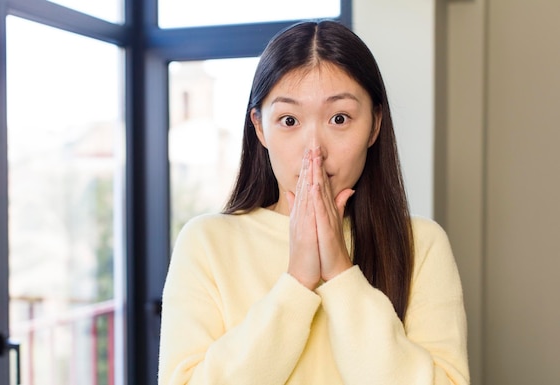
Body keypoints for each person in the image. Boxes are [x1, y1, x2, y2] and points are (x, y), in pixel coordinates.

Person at [158, 20, 469, 385]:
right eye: (289, 120)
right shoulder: (206, 242)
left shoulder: (422, 243)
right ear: (260, 128)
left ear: (374, 125)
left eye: (340, 118)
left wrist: (339, 272)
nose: (314, 150)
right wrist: (297, 282)